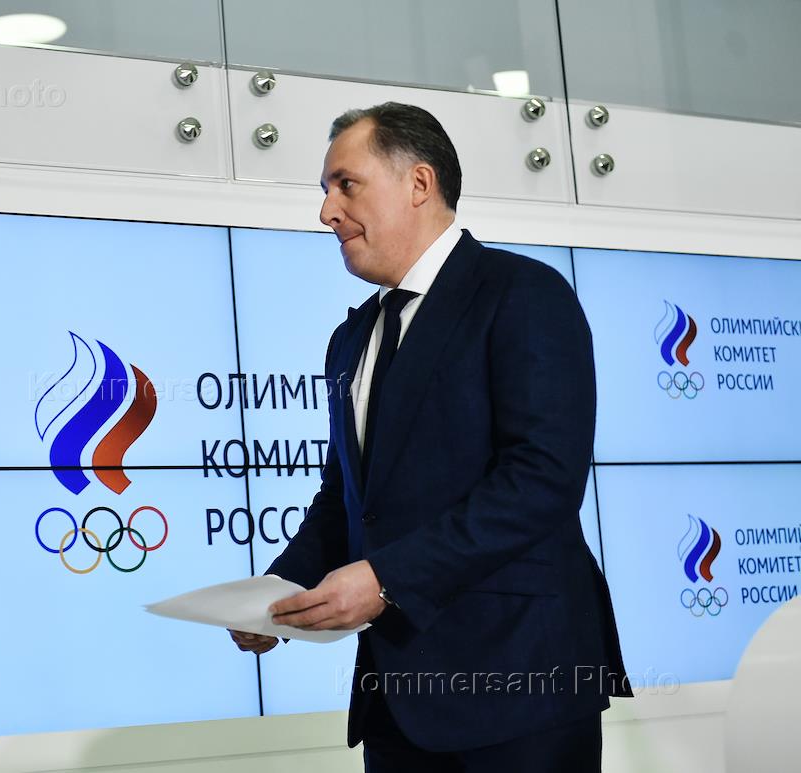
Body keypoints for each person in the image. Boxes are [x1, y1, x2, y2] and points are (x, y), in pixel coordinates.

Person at [228, 103, 629, 772]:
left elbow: (541, 479)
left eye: (345, 185)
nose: (326, 212)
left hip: (520, 687)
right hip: (396, 700)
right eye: (325, 190)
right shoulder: (350, 338)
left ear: (418, 183)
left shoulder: (523, 293)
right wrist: (278, 594)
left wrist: (386, 578)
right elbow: (347, 500)